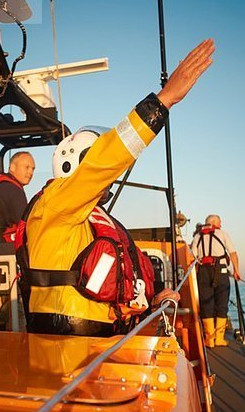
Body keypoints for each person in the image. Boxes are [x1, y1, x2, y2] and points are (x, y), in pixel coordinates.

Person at [18, 39, 215, 336]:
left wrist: (152, 299)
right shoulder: (55, 203)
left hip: (107, 341)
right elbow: (105, 160)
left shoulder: (89, 218)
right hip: (66, 352)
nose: (106, 177)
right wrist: (162, 102)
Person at [191, 214, 241, 347]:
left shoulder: (197, 236)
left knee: (206, 304)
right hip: (221, 270)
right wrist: (236, 271)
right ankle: (219, 338)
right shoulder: (222, 233)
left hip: (203, 272)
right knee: (222, 303)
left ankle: (209, 339)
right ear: (214, 223)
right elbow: (233, 253)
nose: (221, 225)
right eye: (220, 222)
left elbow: (193, 257)